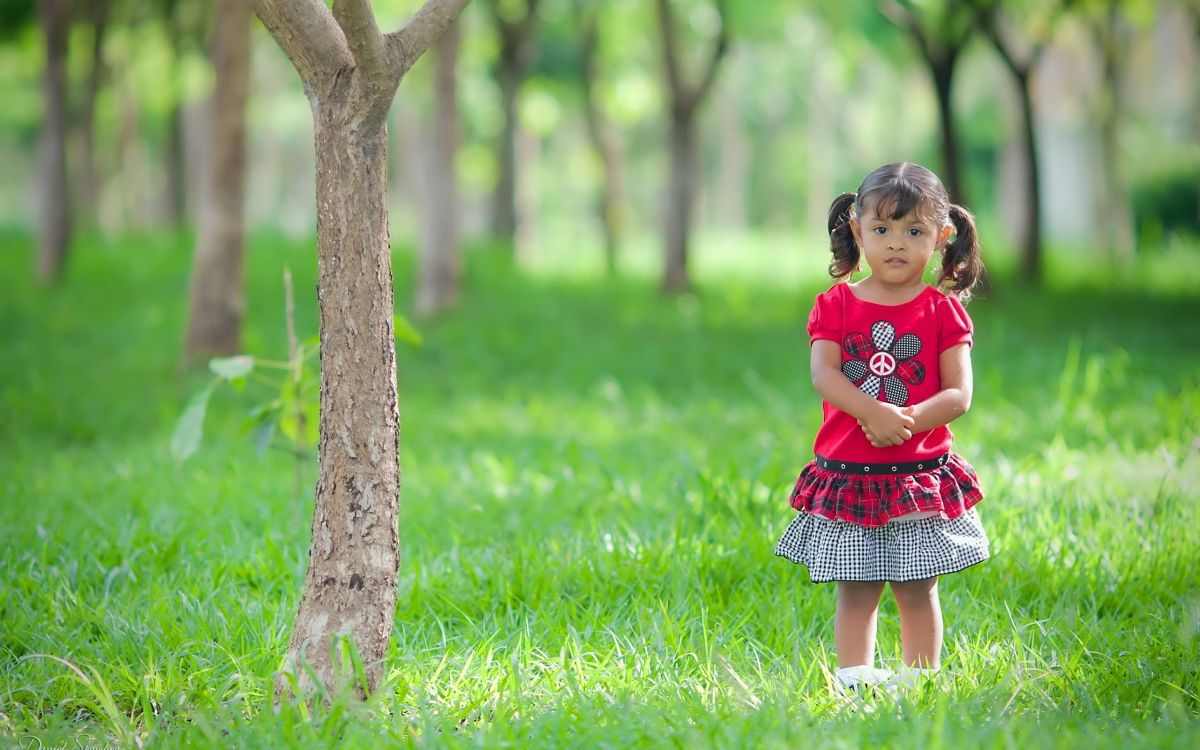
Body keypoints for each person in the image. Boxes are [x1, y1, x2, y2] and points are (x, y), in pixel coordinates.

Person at [774, 162, 990, 694]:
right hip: (851, 472)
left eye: (914, 232)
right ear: (857, 230)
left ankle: (919, 683)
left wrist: (908, 421)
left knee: (917, 586)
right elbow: (824, 373)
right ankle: (853, 682)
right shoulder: (836, 304)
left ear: (942, 237)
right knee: (857, 587)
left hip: (917, 472)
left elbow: (958, 393)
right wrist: (871, 411)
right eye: (882, 230)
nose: (897, 244)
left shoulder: (942, 312)